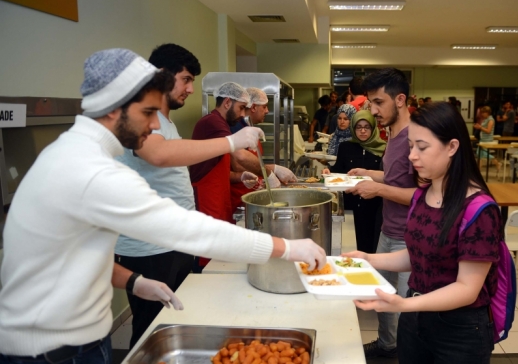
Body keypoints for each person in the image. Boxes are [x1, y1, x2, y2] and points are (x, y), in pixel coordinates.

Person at [0, 48, 326, 364]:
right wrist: (287, 248)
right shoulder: (91, 172)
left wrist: (132, 282)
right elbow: (186, 228)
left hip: (72, 344)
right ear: (114, 108)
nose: (157, 125)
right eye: (147, 113)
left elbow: (71, 253)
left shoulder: (71, 152)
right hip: (55, 352)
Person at [112, 44, 258, 348]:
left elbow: (174, 165)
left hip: (175, 241)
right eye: (186, 79)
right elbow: (160, 155)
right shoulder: (141, 116)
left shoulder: (165, 121)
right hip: (149, 247)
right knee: (151, 332)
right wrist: (231, 142)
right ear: (162, 76)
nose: (191, 89)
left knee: (174, 325)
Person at [345, 102, 501, 363]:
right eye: (410, 146)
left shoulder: (479, 209)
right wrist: (368, 259)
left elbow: (467, 289)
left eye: (422, 147)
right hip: (415, 321)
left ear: (452, 146)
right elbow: (420, 254)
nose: (412, 156)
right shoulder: (421, 196)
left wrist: (404, 305)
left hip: (459, 330)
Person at [345, 68, 417, 359]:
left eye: (378, 102)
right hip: (388, 230)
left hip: (407, 237)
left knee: (405, 308)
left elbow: (424, 196)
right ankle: (387, 346)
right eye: (370, 104)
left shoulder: (416, 138)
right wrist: (369, 174)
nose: (373, 111)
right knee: (383, 297)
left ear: (400, 99)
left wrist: (378, 191)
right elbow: (396, 177)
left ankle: (405, 353)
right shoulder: (394, 133)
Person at [189, 82, 296, 271]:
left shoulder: (221, 123)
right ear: (227, 102)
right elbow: (239, 155)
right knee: (209, 261)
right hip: (207, 200)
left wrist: (239, 177)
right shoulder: (213, 122)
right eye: (240, 108)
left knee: (219, 258)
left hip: (220, 199)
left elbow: (219, 168)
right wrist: (269, 173)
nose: (242, 115)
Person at [323, 111, 386, 253]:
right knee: (349, 244)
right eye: (358, 127)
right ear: (353, 128)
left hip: (374, 206)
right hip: (349, 204)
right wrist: (329, 172)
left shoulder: (383, 149)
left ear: (374, 128)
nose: (363, 131)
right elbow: (338, 170)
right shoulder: (345, 147)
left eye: (367, 127)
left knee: (371, 246)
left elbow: (386, 177)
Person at [473, 106, 501, 172]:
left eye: (483, 112)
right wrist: (478, 127)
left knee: (484, 153)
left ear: (487, 112)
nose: (482, 114)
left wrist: (480, 127)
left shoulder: (491, 120)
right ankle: (478, 170)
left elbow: (488, 131)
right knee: (479, 154)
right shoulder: (485, 119)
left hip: (487, 140)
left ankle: (497, 163)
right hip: (483, 139)